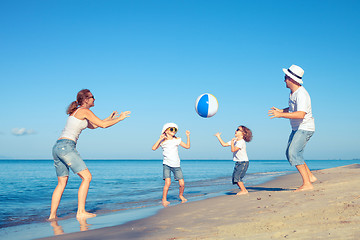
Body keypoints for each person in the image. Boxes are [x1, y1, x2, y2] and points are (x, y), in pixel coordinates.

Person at [49, 89, 130, 220]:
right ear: (86, 99)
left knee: (61, 183)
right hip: (67, 147)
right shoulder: (84, 111)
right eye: (92, 97)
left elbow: (95, 125)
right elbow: (103, 125)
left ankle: (52, 216)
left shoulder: (77, 112)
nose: (94, 99)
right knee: (87, 177)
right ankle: (81, 212)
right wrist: (120, 119)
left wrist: (110, 118)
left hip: (57, 147)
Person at [268, 65, 317, 192]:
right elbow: (292, 109)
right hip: (297, 128)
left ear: (291, 79)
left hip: (305, 128)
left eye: (285, 77)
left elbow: (301, 114)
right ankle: (310, 176)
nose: (284, 80)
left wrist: (280, 115)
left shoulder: (302, 94)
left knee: (294, 153)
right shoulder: (293, 93)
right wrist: (281, 110)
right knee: (291, 153)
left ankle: (307, 184)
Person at [152, 123, 190, 207]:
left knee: (182, 184)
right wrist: (159, 139)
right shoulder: (163, 141)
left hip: (176, 165)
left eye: (175, 130)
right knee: (168, 183)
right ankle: (164, 199)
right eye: (172, 129)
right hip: (167, 165)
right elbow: (154, 148)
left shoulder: (177, 140)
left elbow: (187, 146)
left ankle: (181, 195)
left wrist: (187, 136)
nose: (174, 131)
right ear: (166, 130)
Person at [215, 125, 253, 195]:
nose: (236, 130)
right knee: (235, 178)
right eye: (236, 129)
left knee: (237, 177)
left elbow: (233, 150)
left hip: (243, 162)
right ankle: (243, 190)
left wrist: (232, 142)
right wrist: (218, 137)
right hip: (238, 162)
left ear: (243, 133)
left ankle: (244, 190)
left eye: (238, 129)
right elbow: (224, 144)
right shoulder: (235, 140)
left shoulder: (241, 142)